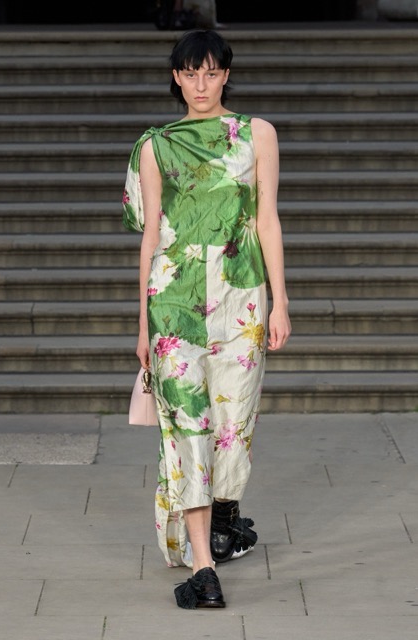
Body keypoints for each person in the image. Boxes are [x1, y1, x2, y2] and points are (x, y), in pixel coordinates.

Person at [122, 29, 291, 610]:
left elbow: (267, 220)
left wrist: (281, 300)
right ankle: (202, 566)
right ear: (176, 78)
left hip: (242, 301)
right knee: (188, 430)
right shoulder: (155, 146)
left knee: (232, 426)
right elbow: (150, 235)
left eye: (211, 72)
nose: (201, 84)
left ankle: (223, 518)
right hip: (173, 301)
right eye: (190, 73)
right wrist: (143, 326)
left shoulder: (257, 134)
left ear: (226, 75)